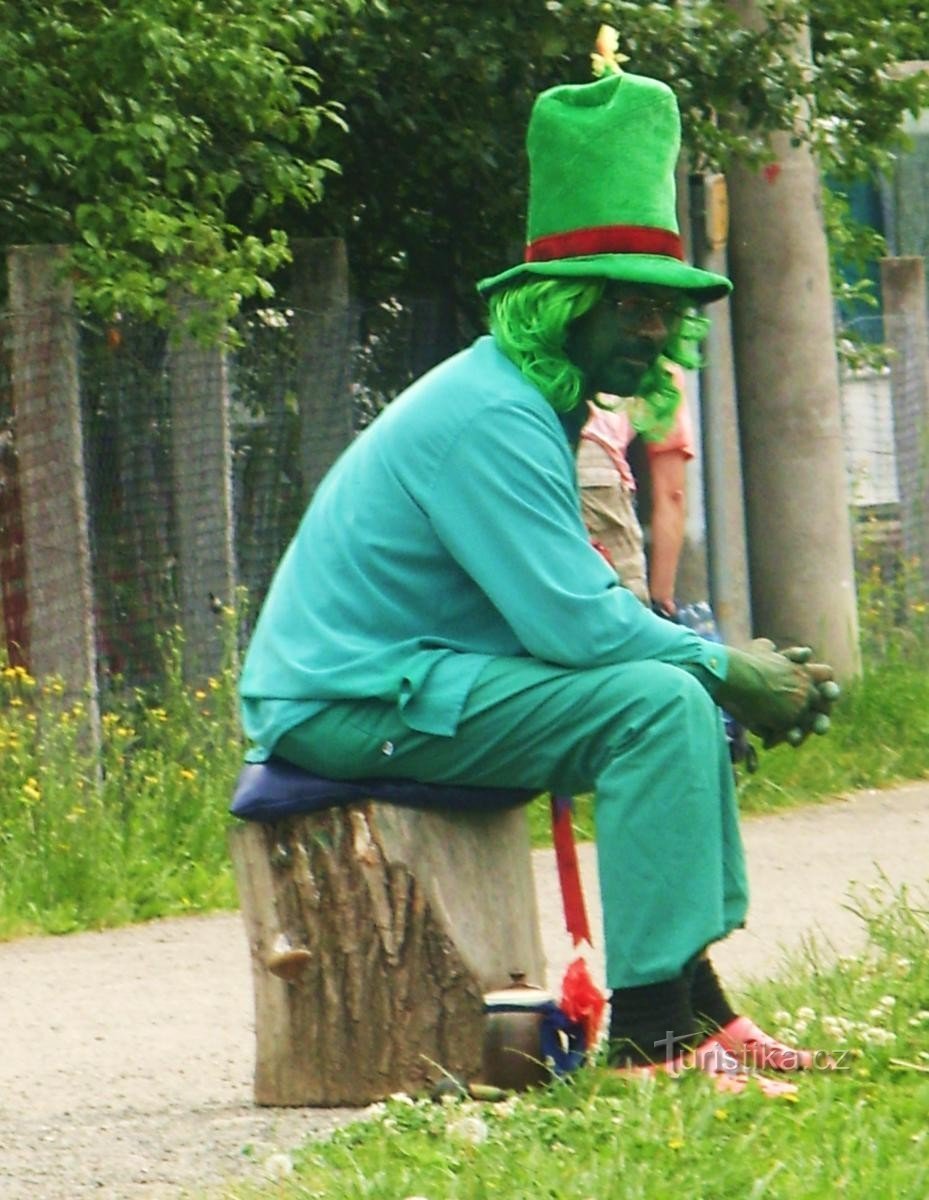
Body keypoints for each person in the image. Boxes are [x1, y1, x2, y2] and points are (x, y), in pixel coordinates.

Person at [238, 69, 839, 1092]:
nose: (651, 332)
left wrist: (712, 671)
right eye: (627, 306)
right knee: (655, 701)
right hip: (347, 700)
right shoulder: (492, 413)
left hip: (417, 680)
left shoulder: (534, 402)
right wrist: (729, 668)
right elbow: (576, 627)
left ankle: (699, 1013)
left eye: (662, 310)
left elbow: (572, 615)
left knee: (667, 694)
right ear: (560, 303)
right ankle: (651, 1040)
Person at [578, 361, 693, 615]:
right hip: (597, 474)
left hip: (532, 449)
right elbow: (671, 494)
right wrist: (661, 600)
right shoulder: (661, 370)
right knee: (620, 614)